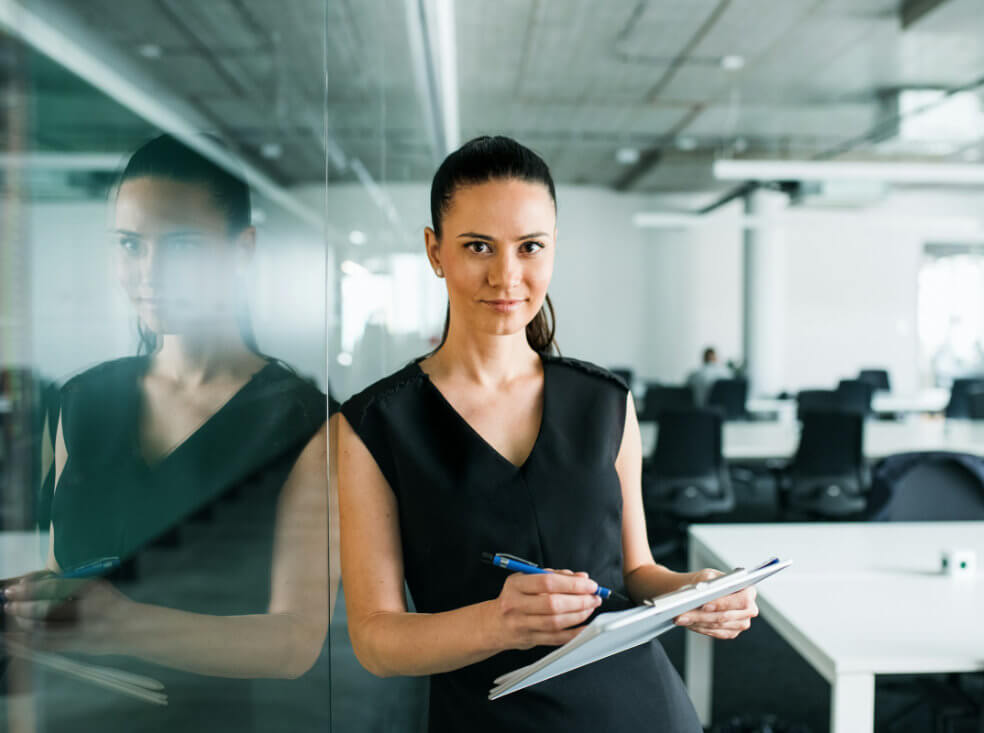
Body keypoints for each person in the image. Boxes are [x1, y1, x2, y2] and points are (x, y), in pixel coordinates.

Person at [338, 136, 758, 733]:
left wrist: (693, 591)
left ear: (553, 248)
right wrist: (498, 622)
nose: (507, 276)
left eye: (530, 247)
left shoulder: (605, 402)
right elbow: (376, 640)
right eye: (477, 246)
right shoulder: (373, 424)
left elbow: (636, 573)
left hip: (640, 709)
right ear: (435, 251)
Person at [2, 135, 336, 729]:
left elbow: (295, 641)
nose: (149, 273)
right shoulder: (79, 403)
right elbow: (66, 575)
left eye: (181, 245)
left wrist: (122, 622)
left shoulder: (303, 424)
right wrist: (32, 609)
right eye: (129, 245)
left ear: (241, 250)